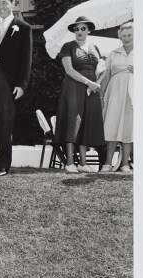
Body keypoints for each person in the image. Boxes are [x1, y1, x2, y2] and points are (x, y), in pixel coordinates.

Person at [0, 0, 32, 177]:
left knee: (5, 123)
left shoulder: (24, 28)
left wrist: (22, 85)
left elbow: (26, 59)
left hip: (9, 82)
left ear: (13, 3)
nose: (1, 6)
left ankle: (2, 164)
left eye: (4, 2)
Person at [53, 16, 105, 173]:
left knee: (87, 123)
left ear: (88, 30)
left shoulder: (95, 47)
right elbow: (69, 70)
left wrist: (96, 85)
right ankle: (70, 162)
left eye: (83, 28)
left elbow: (102, 69)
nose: (79, 31)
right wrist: (88, 83)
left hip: (91, 90)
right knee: (73, 121)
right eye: (76, 29)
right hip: (74, 87)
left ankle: (83, 163)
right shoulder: (68, 46)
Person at [98, 22, 133, 173]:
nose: (126, 38)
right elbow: (106, 76)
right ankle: (107, 163)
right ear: (120, 36)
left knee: (128, 127)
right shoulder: (113, 54)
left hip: (133, 94)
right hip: (114, 93)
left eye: (130, 35)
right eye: (123, 35)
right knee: (111, 126)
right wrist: (102, 96)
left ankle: (125, 164)